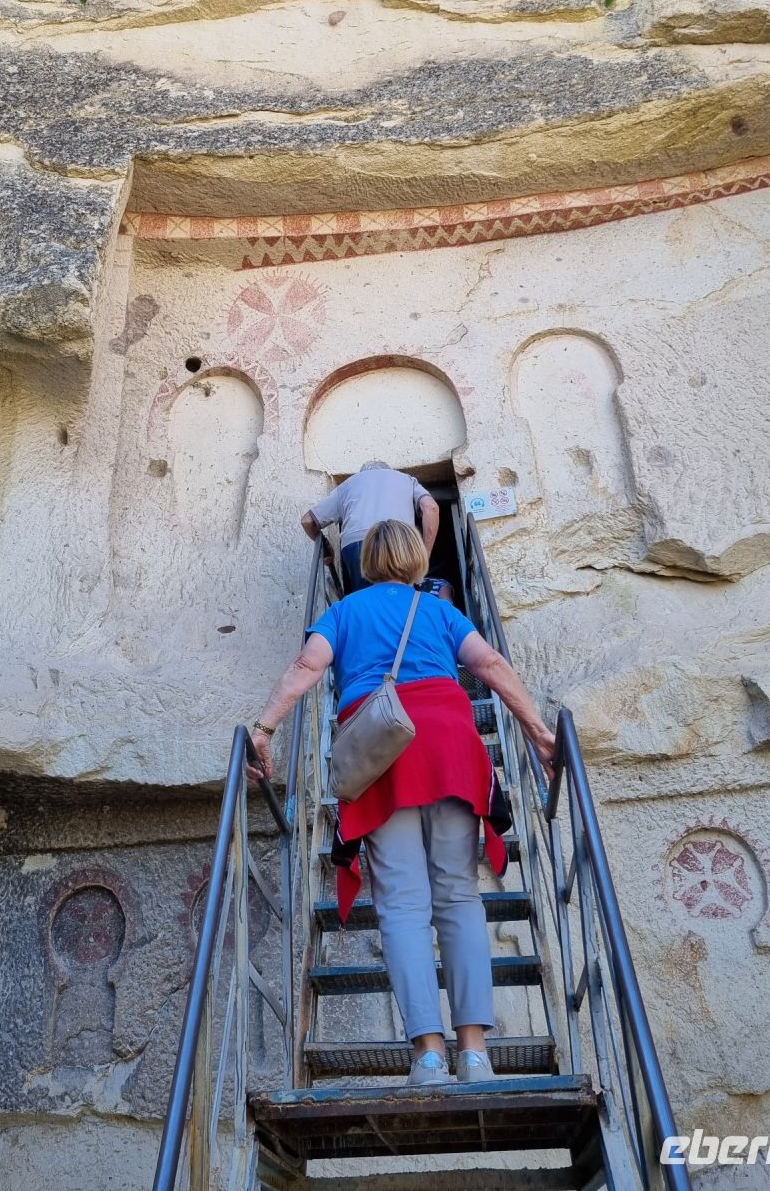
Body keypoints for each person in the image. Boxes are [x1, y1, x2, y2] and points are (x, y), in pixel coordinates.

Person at [249, 519, 555, 1087]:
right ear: (416, 561)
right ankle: (475, 1053)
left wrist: (265, 727)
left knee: (402, 906)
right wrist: (538, 734)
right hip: (449, 748)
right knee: (460, 898)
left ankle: (429, 1056)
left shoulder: (341, 614)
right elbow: (489, 665)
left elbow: (306, 669)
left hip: (382, 753)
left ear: (365, 564)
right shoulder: (439, 610)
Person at [302, 461, 439, 594]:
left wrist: (326, 547)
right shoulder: (406, 480)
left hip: (357, 545)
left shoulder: (349, 484)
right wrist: (424, 556)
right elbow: (431, 508)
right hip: (399, 540)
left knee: (367, 600)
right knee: (402, 597)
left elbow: (307, 521)